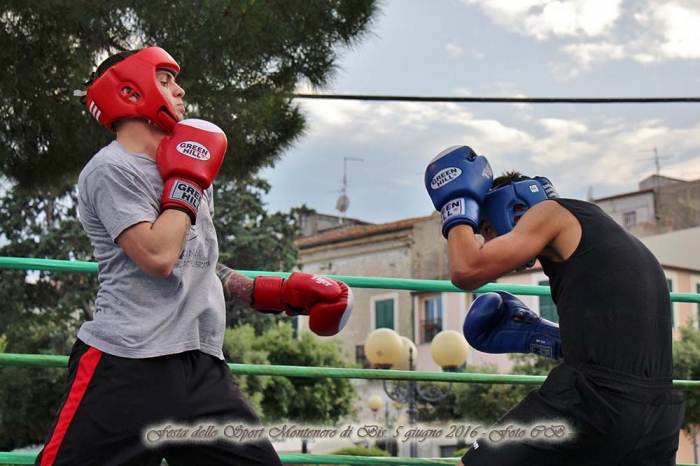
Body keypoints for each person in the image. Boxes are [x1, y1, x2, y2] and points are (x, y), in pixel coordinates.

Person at [35, 47, 353, 466]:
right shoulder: (111, 170)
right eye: (166, 80)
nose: (180, 89)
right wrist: (185, 181)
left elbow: (196, 258)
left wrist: (263, 291)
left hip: (201, 363)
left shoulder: (188, 163)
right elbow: (158, 255)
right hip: (128, 363)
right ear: (130, 91)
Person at [424, 145, 685, 466]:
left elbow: (466, 270)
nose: (488, 244)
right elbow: (625, 350)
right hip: (660, 417)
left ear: (516, 207)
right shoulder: (605, 240)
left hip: (591, 401)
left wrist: (457, 202)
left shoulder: (550, 213)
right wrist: (543, 336)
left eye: (487, 230)